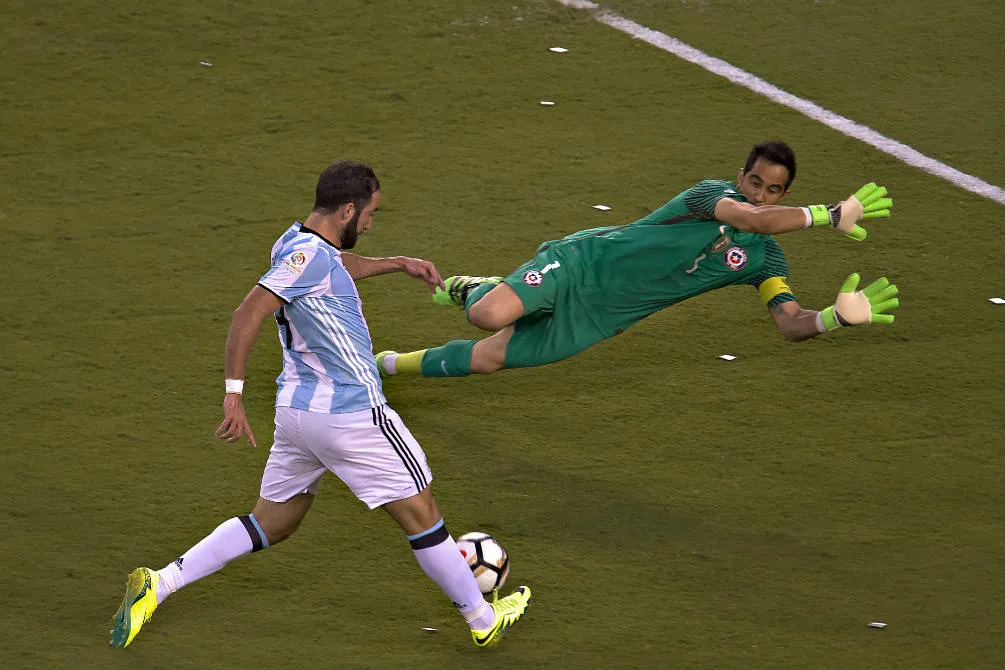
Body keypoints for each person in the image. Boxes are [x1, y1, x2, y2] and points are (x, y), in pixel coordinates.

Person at [109, 161, 531, 650]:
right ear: (348, 209)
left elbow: (335, 266)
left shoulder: (294, 243)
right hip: (350, 413)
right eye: (370, 213)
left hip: (298, 414)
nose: (371, 223)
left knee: (274, 520)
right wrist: (233, 393)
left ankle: (158, 583)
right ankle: (482, 619)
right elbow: (249, 311)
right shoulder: (308, 256)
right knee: (422, 512)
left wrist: (396, 263)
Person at [374, 141, 900, 379]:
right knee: (485, 314)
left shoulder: (765, 261)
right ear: (740, 178)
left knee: (488, 359)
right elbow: (751, 220)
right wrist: (830, 215)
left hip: (603, 317)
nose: (762, 195)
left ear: (785, 194)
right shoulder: (708, 196)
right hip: (583, 263)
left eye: (774, 190)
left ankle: (385, 367)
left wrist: (832, 318)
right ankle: (479, 286)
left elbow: (788, 323)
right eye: (755, 182)